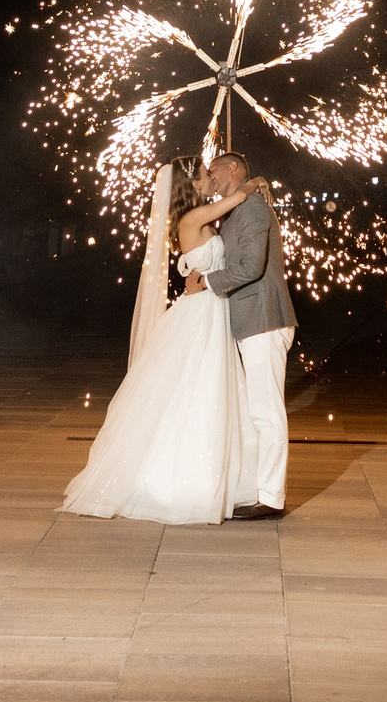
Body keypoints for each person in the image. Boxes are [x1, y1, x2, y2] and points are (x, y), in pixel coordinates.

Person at [58, 160, 258, 524]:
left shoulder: (196, 217)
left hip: (209, 310)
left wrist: (192, 272)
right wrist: (255, 180)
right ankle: (182, 481)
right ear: (190, 184)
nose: (209, 179)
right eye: (203, 175)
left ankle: (214, 477)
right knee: (198, 389)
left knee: (204, 390)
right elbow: (239, 196)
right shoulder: (192, 219)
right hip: (201, 315)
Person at [201, 149, 297, 520]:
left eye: (214, 171)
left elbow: (251, 267)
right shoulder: (238, 207)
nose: (210, 179)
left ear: (234, 168)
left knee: (267, 411)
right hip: (252, 319)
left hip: (265, 317)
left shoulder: (253, 207)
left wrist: (207, 282)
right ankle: (261, 489)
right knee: (259, 410)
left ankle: (272, 498)